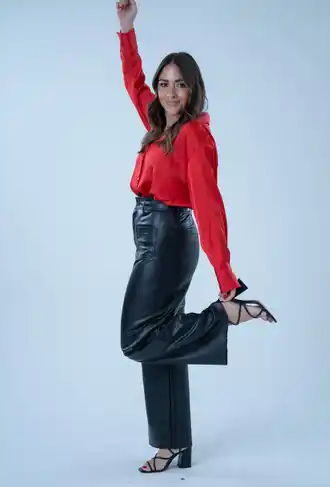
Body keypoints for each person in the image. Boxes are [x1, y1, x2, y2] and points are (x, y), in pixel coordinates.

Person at [115, 0, 277, 474]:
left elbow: (209, 206)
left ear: (192, 90)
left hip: (168, 241)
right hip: (152, 238)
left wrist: (225, 277)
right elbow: (133, 83)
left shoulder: (193, 137)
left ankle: (223, 313)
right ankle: (173, 446)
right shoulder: (158, 125)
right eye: (164, 84)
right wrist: (127, 31)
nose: (168, 92)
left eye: (178, 85)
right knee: (160, 343)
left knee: (136, 337)